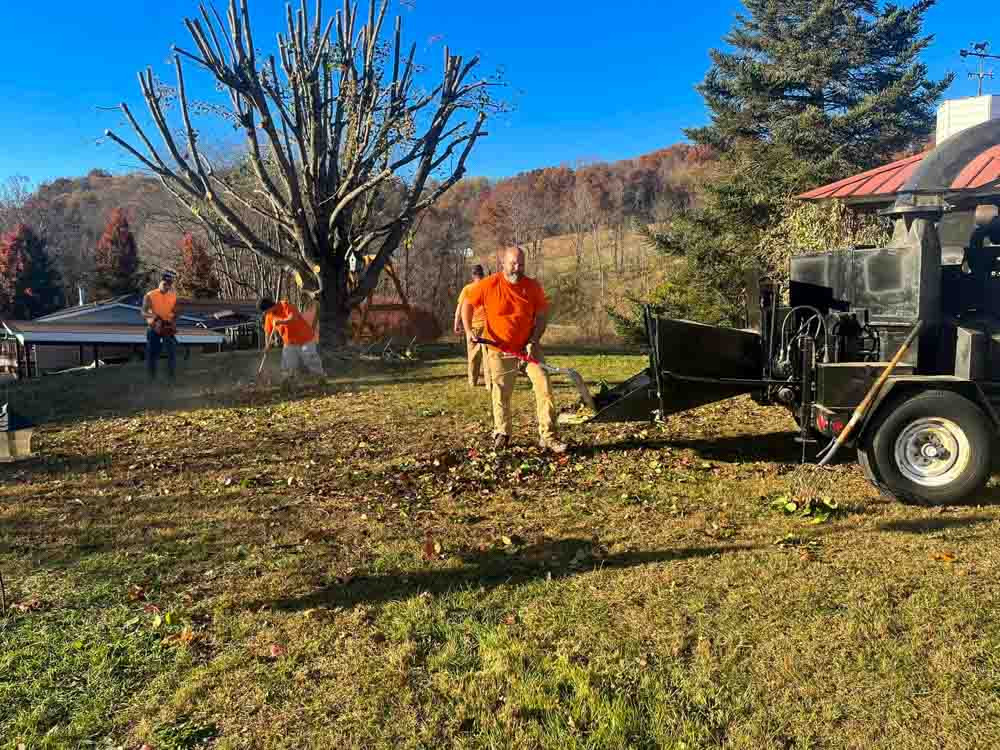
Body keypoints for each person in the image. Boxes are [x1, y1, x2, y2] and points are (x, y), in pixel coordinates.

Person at [462, 246, 567, 454]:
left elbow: (542, 316)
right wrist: (467, 330)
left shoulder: (532, 286)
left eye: (521, 264)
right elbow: (467, 303)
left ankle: (548, 436)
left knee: (544, 386)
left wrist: (534, 340)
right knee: (500, 391)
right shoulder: (489, 284)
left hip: (528, 347)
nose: (517, 268)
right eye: (513, 264)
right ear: (503, 263)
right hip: (499, 348)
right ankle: (502, 432)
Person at [258, 297, 325, 378]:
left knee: (311, 360)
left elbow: (292, 318)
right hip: (289, 343)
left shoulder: (285, 305)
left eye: (265, 311)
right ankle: (288, 383)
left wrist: (281, 321)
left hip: (304, 339)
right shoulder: (269, 315)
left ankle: (321, 378)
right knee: (287, 366)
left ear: (270, 307)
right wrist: (267, 344)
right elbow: (267, 332)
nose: (265, 313)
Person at [453, 264, 491, 389]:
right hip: (488, 326)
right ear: (483, 274)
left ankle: (472, 382)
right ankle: (489, 384)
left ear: (473, 275)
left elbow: (460, 308)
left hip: (472, 327)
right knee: (488, 356)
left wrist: (456, 323)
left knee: (473, 355)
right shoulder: (488, 286)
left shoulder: (467, 289)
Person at [142, 270, 179, 383]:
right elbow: (143, 312)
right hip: (154, 326)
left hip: (167, 326)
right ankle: (151, 377)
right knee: (152, 353)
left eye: (169, 284)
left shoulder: (173, 296)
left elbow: (175, 312)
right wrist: (155, 319)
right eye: (165, 284)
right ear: (161, 282)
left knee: (172, 352)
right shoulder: (150, 295)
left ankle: (171, 377)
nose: (167, 286)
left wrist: (173, 321)